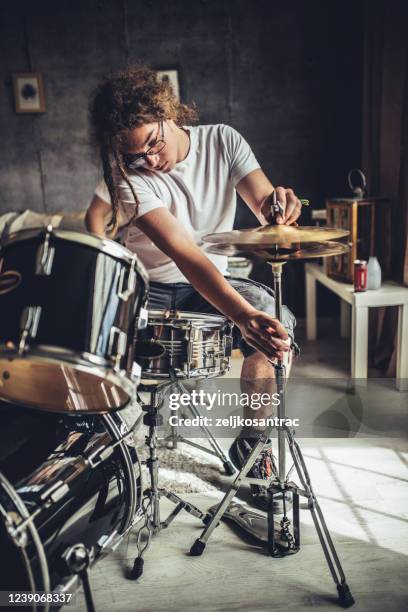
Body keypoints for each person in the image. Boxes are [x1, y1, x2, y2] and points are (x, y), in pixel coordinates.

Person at [86, 66, 302, 510]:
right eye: (134, 155)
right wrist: (241, 315)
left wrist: (277, 209)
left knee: (277, 324)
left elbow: (263, 201)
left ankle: (255, 446)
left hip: (212, 280)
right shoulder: (124, 174)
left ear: (168, 113)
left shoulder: (223, 140)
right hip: (153, 288)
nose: (147, 160)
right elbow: (187, 255)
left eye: (152, 144)